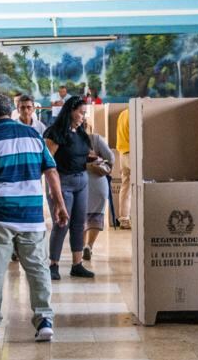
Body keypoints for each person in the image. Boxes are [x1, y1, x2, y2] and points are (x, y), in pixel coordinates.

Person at [0, 91, 64, 342]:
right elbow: (51, 171)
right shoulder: (34, 134)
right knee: (38, 269)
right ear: (9, 111)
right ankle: (44, 320)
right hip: (32, 216)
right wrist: (60, 205)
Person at [43, 96, 95, 280]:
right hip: (62, 182)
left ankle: (77, 264)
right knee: (61, 224)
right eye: (81, 112)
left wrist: (95, 159)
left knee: (79, 224)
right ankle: (53, 265)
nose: (83, 116)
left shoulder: (81, 132)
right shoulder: (55, 132)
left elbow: (84, 153)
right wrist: (52, 189)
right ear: (70, 111)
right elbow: (47, 162)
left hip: (82, 181)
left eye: (84, 113)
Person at [82, 130, 115, 263]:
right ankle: (89, 246)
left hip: (79, 181)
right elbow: (111, 158)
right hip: (98, 180)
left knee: (80, 217)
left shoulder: (68, 140)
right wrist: (99, 160)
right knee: (96, 215)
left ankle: (81, 246)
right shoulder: (95, 139)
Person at [113, 103, 132, 230]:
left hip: (123, 153)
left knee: (125, 187)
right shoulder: (135, 114)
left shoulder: (123, 113)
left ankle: (124, 219)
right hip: (133, 154)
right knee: (138, 187)